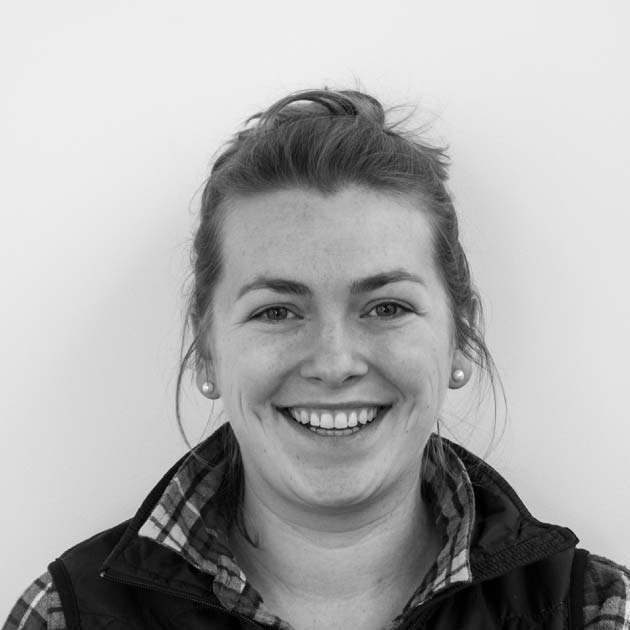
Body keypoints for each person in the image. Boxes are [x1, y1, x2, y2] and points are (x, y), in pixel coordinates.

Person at [3, 87, 629, 630]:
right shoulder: (64, 616)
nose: (333, 363)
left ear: (460, 335)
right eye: (277, 312)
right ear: (208, 352)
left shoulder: (599, 611)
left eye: (386, 307)